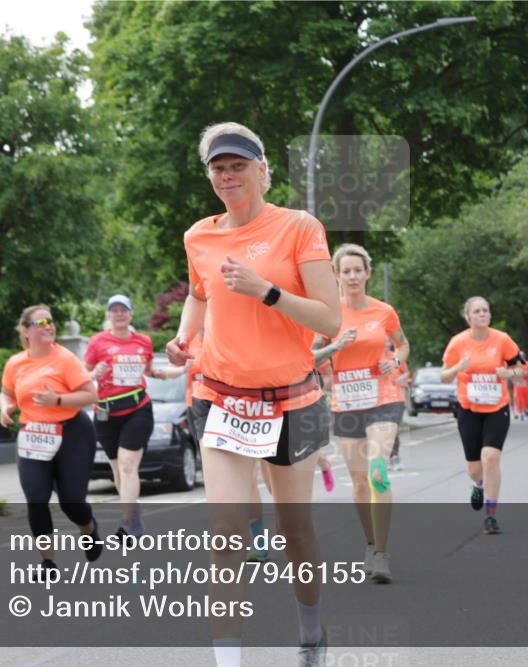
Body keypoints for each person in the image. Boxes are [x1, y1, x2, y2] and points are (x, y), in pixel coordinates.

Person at [167, 122, 340, 666]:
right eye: (218, 167)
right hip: (222, 397)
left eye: (238, 165)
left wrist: (267, 291)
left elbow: (330, 319)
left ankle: (310, 633)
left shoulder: (299, 227)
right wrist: (184, 337)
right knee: (226, 533)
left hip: (293, 399)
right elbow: (200, 293)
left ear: (262, 170)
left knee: (294, 532)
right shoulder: (199, 236)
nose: (227, 175)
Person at [312, 243, 410, 583]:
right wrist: (334, 348)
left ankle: (381, 554)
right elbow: (311, 356)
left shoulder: (384, 311)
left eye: (358, 270)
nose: (352, 276)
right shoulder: (328, 315)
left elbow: (403, 344)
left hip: (384, 398)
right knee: (358, 482)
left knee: (377, 471)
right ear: (337, 276)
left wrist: (395, 361)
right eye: (346, 271)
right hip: (346, 404)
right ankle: (370, 543)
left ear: (367, 273)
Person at [0, 305, 102, 575]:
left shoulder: (65, 359)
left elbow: (90, 395)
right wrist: (5, 407)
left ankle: (89, 529)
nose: (49, 326)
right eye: (41, 322)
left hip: (72, 432)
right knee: (36, 498)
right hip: (33, 435)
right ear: (26, 331)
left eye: (50, 321)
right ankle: (48, 562)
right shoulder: (15, 363)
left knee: (71, 501)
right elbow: (6, 393)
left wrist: (56, 399)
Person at [441, 296, 525, 535]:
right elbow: (444, 377)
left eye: (485, 310)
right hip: (468, 410)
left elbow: (521, 369)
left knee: (490, 457)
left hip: (497, 407)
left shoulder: (502, 340)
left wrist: (509, 374)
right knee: (475, 468)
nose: (482, 314)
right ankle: (478, 485)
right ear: (468, 317)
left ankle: (490, 514)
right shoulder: (458, 342)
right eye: (477, 311)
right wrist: (458, 367)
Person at [84, 295, 158, 536]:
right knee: (117, 469)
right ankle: (134, 514)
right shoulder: (97, 342)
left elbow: (149, 370)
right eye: (114, 310)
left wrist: (173, 371)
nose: (119, 314)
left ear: (131, 314)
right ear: (108, 315)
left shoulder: (144, 342)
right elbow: (83, 375)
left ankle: (127, 523)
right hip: (107, 413)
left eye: (123, 310)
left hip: (138, 409)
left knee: (127, 465)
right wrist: (95, 373)